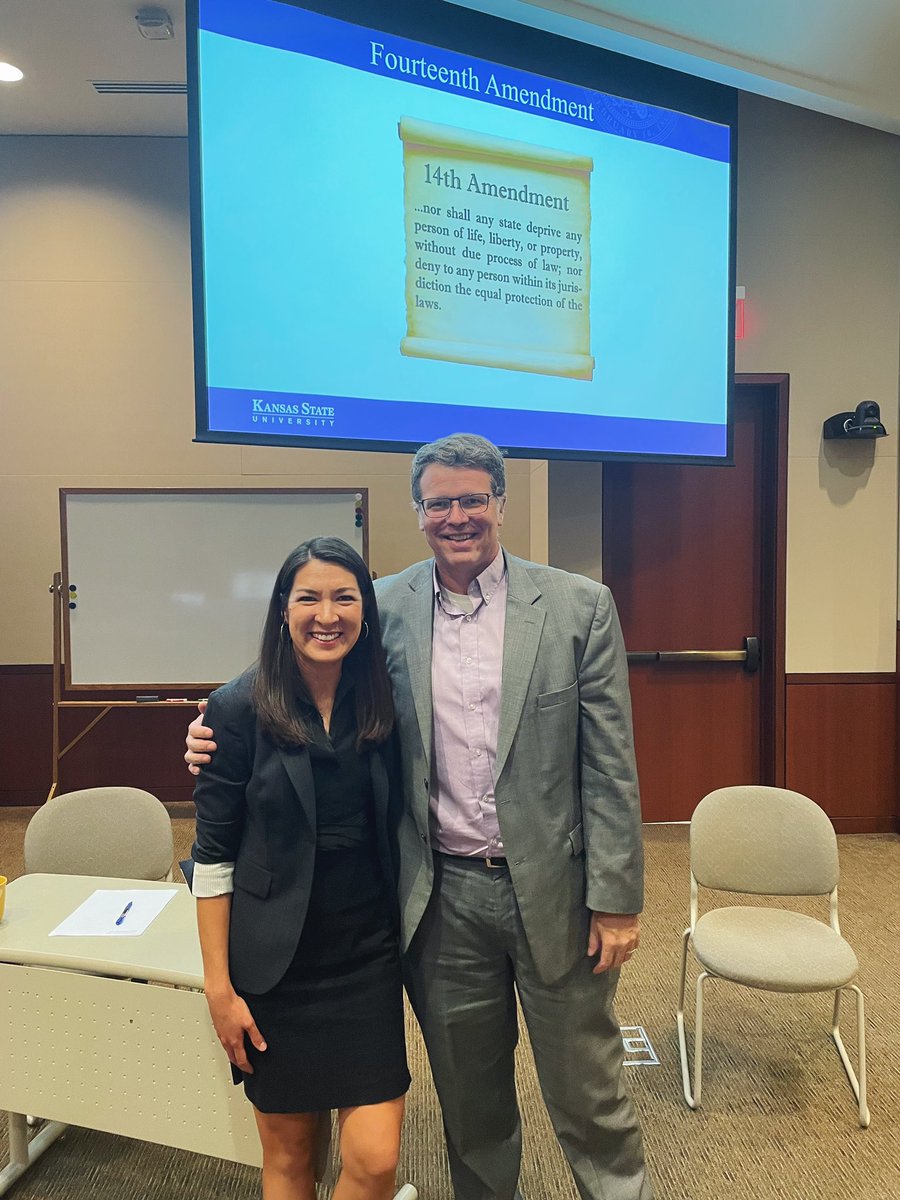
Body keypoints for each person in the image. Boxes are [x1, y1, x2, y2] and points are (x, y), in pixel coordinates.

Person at [188, 435, 653, 1200]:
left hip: (559, 896)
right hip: (440, 900)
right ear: (419, 513)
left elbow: (610, 767)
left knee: (588, 1090)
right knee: (472, 1103)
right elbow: (300, 658)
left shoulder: (578, 607)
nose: (457, 516)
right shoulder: (386, 604)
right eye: (440, 503)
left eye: (473, 500)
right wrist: (212, 728)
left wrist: (618, 899)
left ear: (501, 503)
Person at [189, 536, 410, 1200]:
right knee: (288, 1155)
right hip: (274, 971)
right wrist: (219, 989)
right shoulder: (236, 708)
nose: (327, 615)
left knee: (375, 1158)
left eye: (345, 598)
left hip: (366, 959)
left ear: (366, 610)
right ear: (283, 608)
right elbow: (213, 859)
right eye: (309, 598)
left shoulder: (384, 700)